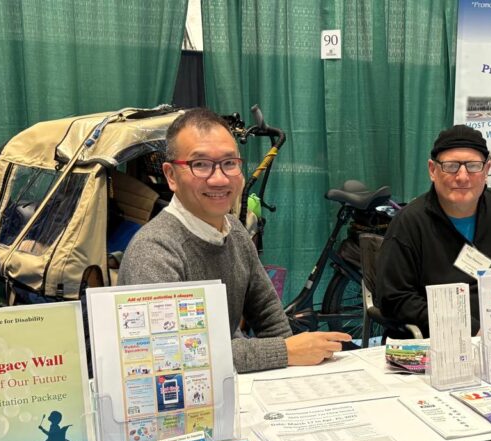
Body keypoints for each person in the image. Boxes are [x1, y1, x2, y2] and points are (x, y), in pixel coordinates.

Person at [119, 108, 349, 372]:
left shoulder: (235, 231)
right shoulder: (154, 252)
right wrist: (285, 352)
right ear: (171, 176)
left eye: (229, 163)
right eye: (200, 165)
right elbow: (170, 356)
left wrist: (295, 367)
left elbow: (270, 318)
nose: (219, 179)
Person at [376, 124, 491, 336]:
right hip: (444, 342)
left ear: (487, 169)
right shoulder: (410, 222)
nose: (462, 177)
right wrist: (468, 328)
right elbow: (393, 297)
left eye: (473, 166)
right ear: (433, 170)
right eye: (451, 166)